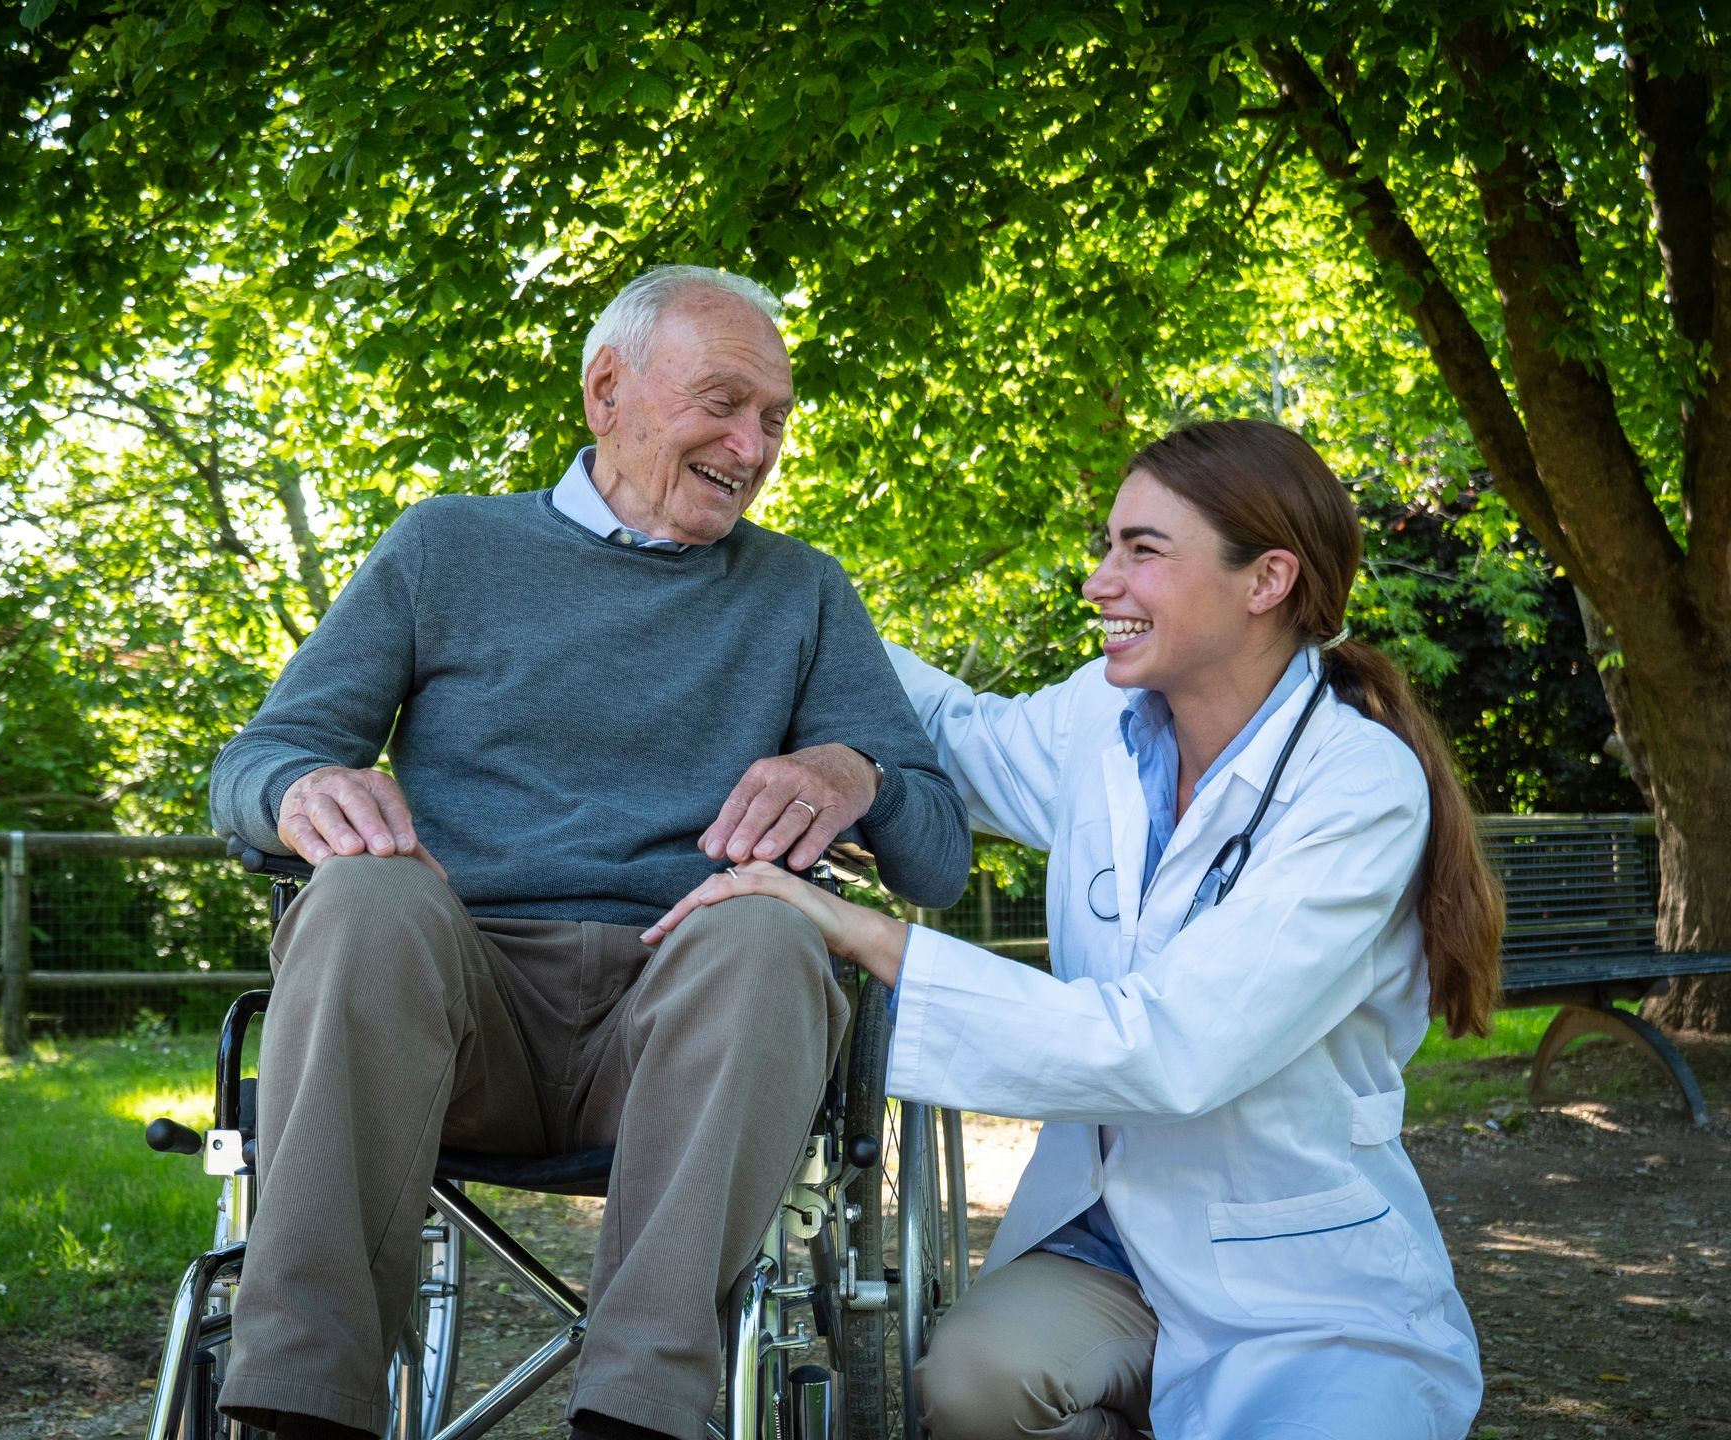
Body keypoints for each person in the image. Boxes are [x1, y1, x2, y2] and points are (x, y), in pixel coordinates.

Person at [208, 265, 970, 1440]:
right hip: (456, 1008)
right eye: (723, 402)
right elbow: (261, 758)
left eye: (775, 418)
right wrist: (301, 789)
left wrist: (856, 773)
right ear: (607, 389)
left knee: (770, 924)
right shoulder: (445, 549)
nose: (753, 443)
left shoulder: (801, 593)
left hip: (691, 1012)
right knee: (360, 899)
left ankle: (640, 1415)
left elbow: (937, 861)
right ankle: (304, 1411)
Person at [645, 419, 1502, 1439]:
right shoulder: (1105, 717)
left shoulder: (1357, 786)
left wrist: (866, 935)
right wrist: (785, 591)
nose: (1101, 582)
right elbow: (957, 737)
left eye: (1141, 551)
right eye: (1108, 547)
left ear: (1266, 580)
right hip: (1107, 1240)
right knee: (971, 1384)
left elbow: (1170, 1047)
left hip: (1294, 1270)